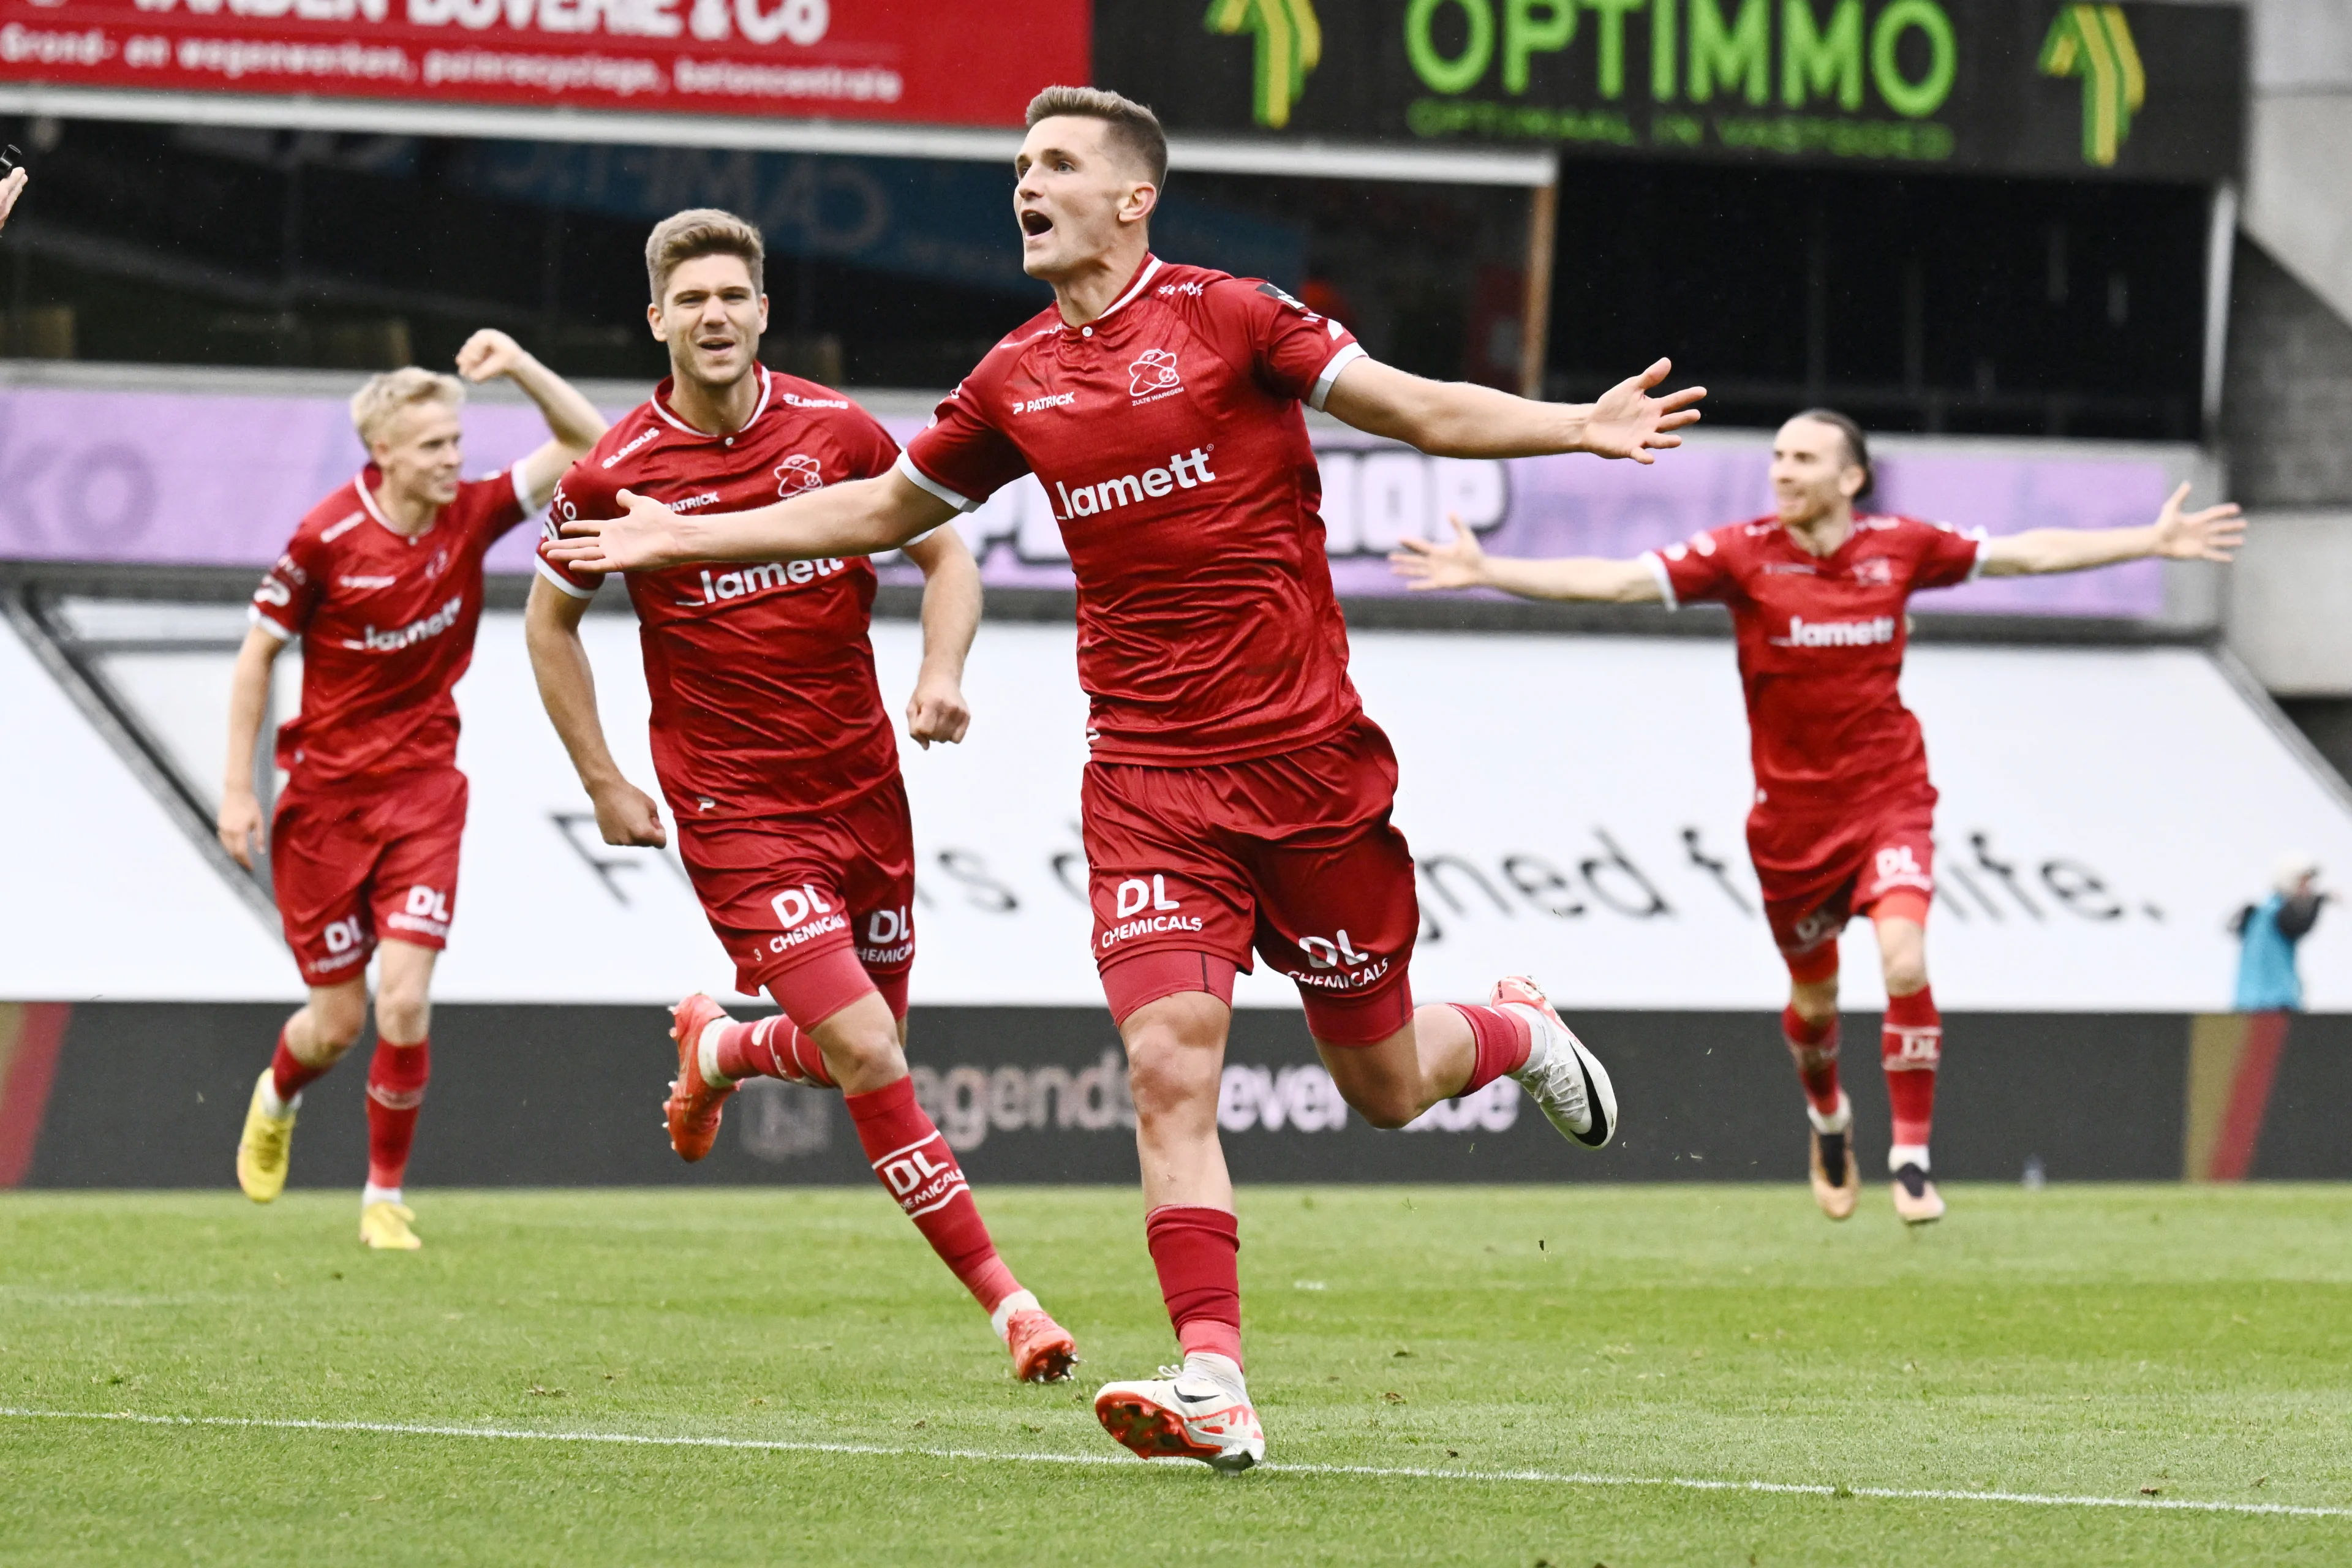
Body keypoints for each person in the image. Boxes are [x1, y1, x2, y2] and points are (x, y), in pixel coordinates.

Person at [546, 87, 1703, 1470]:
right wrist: (687, 534)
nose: (1024, 183)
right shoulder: (1012, 377)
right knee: (1169, 1063)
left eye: (1053, 164)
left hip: (1305, 763)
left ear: (1131, 195)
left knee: (1383, 1080)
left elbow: (1414, 406)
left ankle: (1510, 1031)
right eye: (1018, 162)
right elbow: (881, 511)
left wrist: (1571, 425)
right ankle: (1214, 1373)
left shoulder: (1231, 316)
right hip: (1147, 777)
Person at [1392, 409, 2245, 1226]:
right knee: (1818, 997)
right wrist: (1491, 571)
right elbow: (1616, 580)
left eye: (1803, 458)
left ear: (1852, 476)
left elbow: (2025, 554)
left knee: (1905, 960)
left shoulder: (1900, 547)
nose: (1783, 471)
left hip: (1890, 800)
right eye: (1777, 459)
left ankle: (1911, 1159)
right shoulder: (1742, 555)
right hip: (1792, 829)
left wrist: (2151, 540)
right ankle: (1830, 1119)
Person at [525, 209, 1076, 1384]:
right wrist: (606, 777)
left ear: (763, 310)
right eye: (693, 299)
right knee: (873, 1049)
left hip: (864, 788)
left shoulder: (837, 430)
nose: (715, 315)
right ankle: (1013, 1308)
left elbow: (948, 557)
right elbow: (549, 624)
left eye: (735, 295)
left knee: (850, 1057)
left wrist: (940, 671)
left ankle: (718, 1049)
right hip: (736, 813)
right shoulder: (612, 476)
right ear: (659, 319)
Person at [221, 337, 606, 1250]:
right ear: (384, 453)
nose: (453, 458)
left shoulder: (470, 514)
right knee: (338, 1024)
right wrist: (238, 790)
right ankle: (276, 1094)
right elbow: (257, 655)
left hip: (426, 792)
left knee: (403, 1002)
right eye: (432, 445)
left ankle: (382, 1197)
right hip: (323, 807)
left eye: (456, 439)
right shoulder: (324, 540)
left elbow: (590, 444)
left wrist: (516, 366)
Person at [2232, 853, 2328, 1012]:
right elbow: (2300, 924)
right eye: (2303, 883)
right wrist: (2319, 902)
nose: (2308, 889)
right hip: (2273, 1003)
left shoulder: (2261, 912)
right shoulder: (2278, 912)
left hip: (2249, 1002)